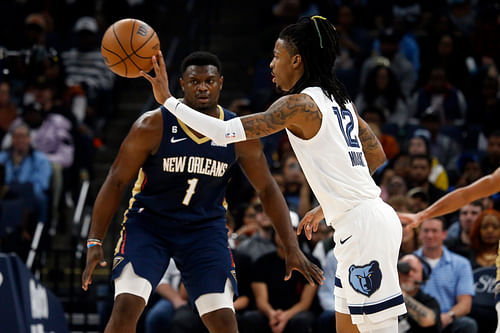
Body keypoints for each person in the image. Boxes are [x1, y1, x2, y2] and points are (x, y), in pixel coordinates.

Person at [143, 16, 406, 333]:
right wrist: (332, 203)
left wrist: (169, 102)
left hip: (365, 227)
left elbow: (226, 131)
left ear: (296, 60)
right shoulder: (340, 100)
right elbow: (374, 153)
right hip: (359, 221)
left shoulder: (299, 105)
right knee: (347, 328)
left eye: (276, 56)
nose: (271, 64)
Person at [82, 51, 323, 333]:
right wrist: (94, 240)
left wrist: (291, 247)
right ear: (182, 84)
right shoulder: (152, 125)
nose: (203, 87)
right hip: (150, 226)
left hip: (204, 230)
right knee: (125, 310)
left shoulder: (237, 131)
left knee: (224, 322)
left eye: (209, 80)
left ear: (220, 83)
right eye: (195, 81)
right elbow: (115, 181)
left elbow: (268, 188)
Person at [415, 218, 477, 333]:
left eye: (434, 231)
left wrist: (448, 316)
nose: (430, 235)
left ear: (444, 234)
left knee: (467, 324)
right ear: (419, 234)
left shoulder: (461, 264)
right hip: (416, 319)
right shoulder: (409, 261)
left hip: (447, 319)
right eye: (426, 231)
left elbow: (465, 304)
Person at [397, 254, 441, 332]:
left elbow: (428, 320)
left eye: (414, 270)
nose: (409, 274)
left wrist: (399, 294)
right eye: (404, 270)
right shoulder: (385, 298)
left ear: (422, 276)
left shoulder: (429, 301)